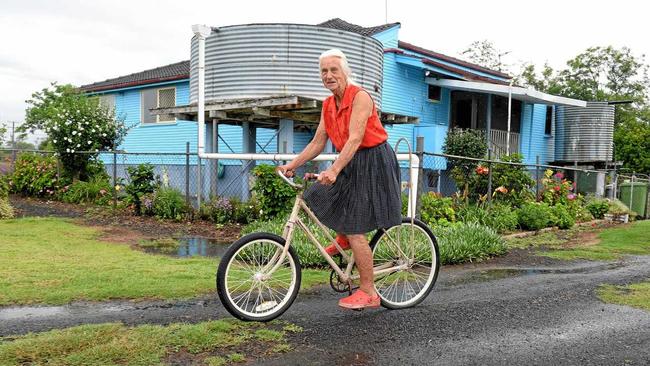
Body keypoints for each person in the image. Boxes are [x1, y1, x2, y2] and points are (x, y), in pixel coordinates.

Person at [278, 49, 402, 310]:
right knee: (318, 194)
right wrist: (292, 164)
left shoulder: (361, 97)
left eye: (334, 70)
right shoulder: (327, 104)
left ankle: (368, 292)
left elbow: (356, 138)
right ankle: (343, 237)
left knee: (357, 227)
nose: (328, 75)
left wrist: (333, 170)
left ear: (346, 71)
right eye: (324, 71)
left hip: (373, 160)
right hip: (350, 158)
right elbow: (317, 141)